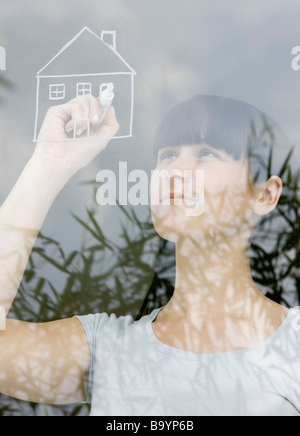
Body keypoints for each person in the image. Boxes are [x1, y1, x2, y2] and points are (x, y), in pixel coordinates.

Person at [0, 93, 300, 416]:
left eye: (207, 153)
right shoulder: (109, 351)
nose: (176, 170)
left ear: (266, 195)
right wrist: (50, 162)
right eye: (168, 155)